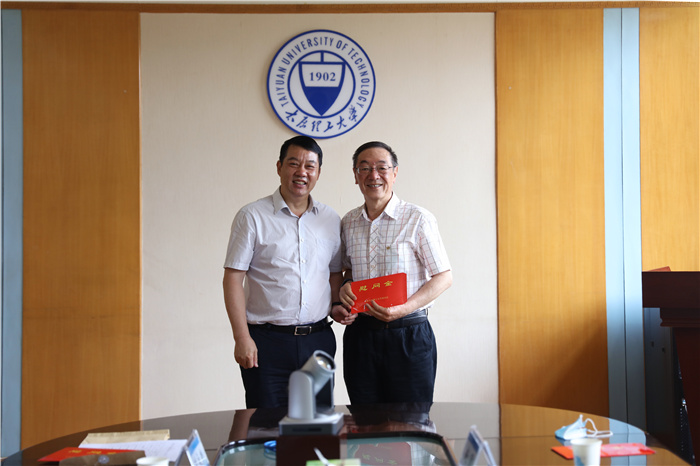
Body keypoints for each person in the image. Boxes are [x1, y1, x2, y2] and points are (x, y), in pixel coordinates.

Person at [223, 135, 345, 409]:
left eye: (310, 166)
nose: (302, 172)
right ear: (279, 167)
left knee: (317, 422)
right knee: (266, 424)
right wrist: (242, 338)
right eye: (293, 163)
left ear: (318, 173)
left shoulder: (330, 219)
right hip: (266, 343)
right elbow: (232, 279)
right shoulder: (252, 216)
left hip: (318, 340)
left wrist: (337, 304)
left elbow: (334, 273)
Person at [334, 141, 452, 404]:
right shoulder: (348, 222)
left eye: (381, 168)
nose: (373, 175)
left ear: (395, 173)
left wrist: (403, 309)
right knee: (364, 419)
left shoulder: (418, 218)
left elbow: (444, 277)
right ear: (355, 175)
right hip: (361, 335)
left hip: (408, 334)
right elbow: (348, 268)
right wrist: (346, 285)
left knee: (411, 419)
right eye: (365, 168)